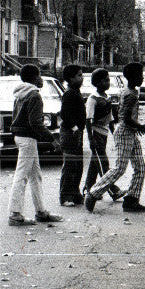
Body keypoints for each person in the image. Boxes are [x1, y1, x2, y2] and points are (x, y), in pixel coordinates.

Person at [84, 62, 145, 213]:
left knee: (140, 167)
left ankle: (131, 200)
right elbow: (125, 117)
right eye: (140, 75)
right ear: (132, 77)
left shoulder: (128, 90)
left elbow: (124, 116)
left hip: (129, 132)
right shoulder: (131, 94)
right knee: (119, 168)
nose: (142, 78)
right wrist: (140, 127)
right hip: (125, 132)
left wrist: (136, 128)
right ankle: (93, 193)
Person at [7, 64, 64, 227]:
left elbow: (15, 117)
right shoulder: (34, 95)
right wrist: (52, 139)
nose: (41, 79)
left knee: (35, 175)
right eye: (39, 75)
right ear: (33, 78)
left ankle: (41, 211)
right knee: (22, 176)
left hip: (20, 137)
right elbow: (36, 122)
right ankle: (15, 214)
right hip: (28, 139)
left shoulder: (20, 94)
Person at [82, 69, 126, 202]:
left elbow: (110, 117)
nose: (108, 82)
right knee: (103, 163)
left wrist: (114, 132)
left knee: (95, 164)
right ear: (98, 82)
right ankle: (113, 191)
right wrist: (91, 139)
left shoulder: (106, 97)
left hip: (104, 133)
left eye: (108, 79)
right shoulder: (93, 99)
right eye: (105, 80)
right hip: (96, 134)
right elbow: (88, 119)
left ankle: (89, 187)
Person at [58, 64, 87, 207]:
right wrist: (74, 127)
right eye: (79, 75)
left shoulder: (75, 91)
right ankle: (65, 196)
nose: (82, 78)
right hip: (70, 133)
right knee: (70, 166)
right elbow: (64, 113)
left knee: (78, 165)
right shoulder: (69, 93)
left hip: (76, 133)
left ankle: (75, 194)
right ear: (71, 78)